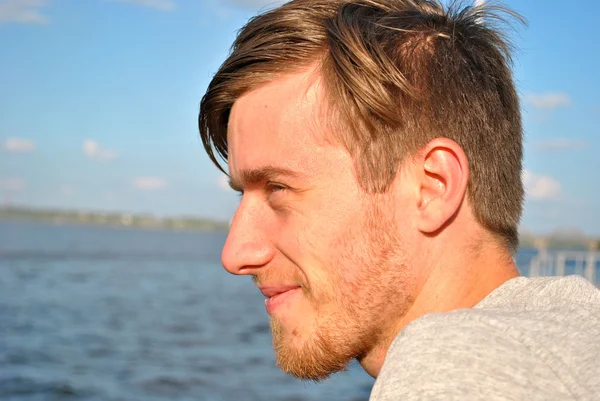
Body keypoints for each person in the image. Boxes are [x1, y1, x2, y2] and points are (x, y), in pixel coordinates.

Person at [198, 0, 600, 399]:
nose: (235, 255)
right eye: (242, 195)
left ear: (433, 187)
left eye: (277, 189)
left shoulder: (458, 371)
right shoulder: (576, 329)